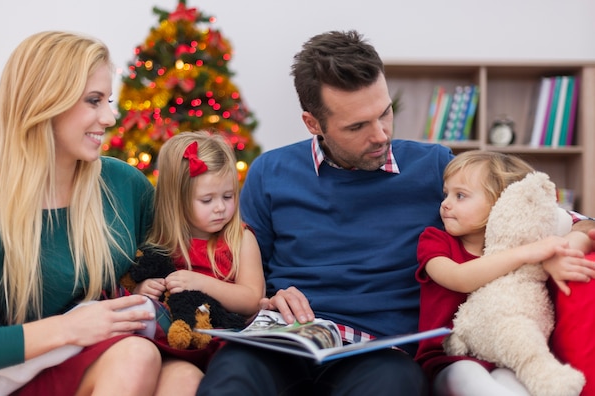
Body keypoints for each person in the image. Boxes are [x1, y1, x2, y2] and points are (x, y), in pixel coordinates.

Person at [196, 30, 595, 396]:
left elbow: (562, 217)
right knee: (231, 375)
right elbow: (240, 275)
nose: (382, 134)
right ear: (312, 123)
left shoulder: (437, 168)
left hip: (380, 350)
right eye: (358, 126)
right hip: (287, 338)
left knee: (396, 384)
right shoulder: (270, 172)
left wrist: (569, 244)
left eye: (385, 112)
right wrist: (267, 299)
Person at [0, 31, 203, 396]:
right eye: (94, 101)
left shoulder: (124, 184)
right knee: (136, 357)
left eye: (107, 100)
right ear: (45, 103)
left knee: (185, 379)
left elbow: (187, 260)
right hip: (26, 372)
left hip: (109, 353)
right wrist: (71, 328)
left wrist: (255, 295)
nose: (109, 117)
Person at [414, 150, 595, 396]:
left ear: (501, 201)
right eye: (447, 194)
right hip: (448, 357)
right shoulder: (435, 240)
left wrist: (558, 254)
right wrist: (530, 254)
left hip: (505, 355)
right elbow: (459, 278)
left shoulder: (520, 239)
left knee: (516, 384)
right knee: (469, 376)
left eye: (460, 196)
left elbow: (586, 226)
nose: (446, 203)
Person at [134, 131, 264, 327]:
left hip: (225, 334)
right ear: (177, 201)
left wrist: (202, 284)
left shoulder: (240, 238)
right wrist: (142, 289)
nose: (220, 207)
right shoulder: (162, 241)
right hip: (175, 332)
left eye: (228, 196)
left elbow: (253, 300)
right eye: (207, 200)